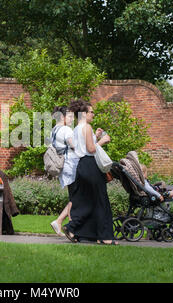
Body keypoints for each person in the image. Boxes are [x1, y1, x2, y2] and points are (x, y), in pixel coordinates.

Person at [62, 99, 119, 245]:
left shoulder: (76, 128)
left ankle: (74, 229)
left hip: (81, 166)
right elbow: (91, 149)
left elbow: (81, 147)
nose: (93, 114)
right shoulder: (87, 127)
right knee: (101, 201)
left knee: (86, 201)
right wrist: (103, 141)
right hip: (91, 165)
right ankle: (105, 237)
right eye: (91, 112)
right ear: (84, 114)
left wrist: (96, 137)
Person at [49, 106, 79, 236]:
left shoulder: (54, 130)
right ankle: (70, 228)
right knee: (76, 197)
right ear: (62, 117)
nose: (72, 119)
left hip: (63, 167)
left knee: (74, 197)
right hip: (70, 165)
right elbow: (73, 145)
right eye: (70, 116)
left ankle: (60, 222)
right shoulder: (66, 129)